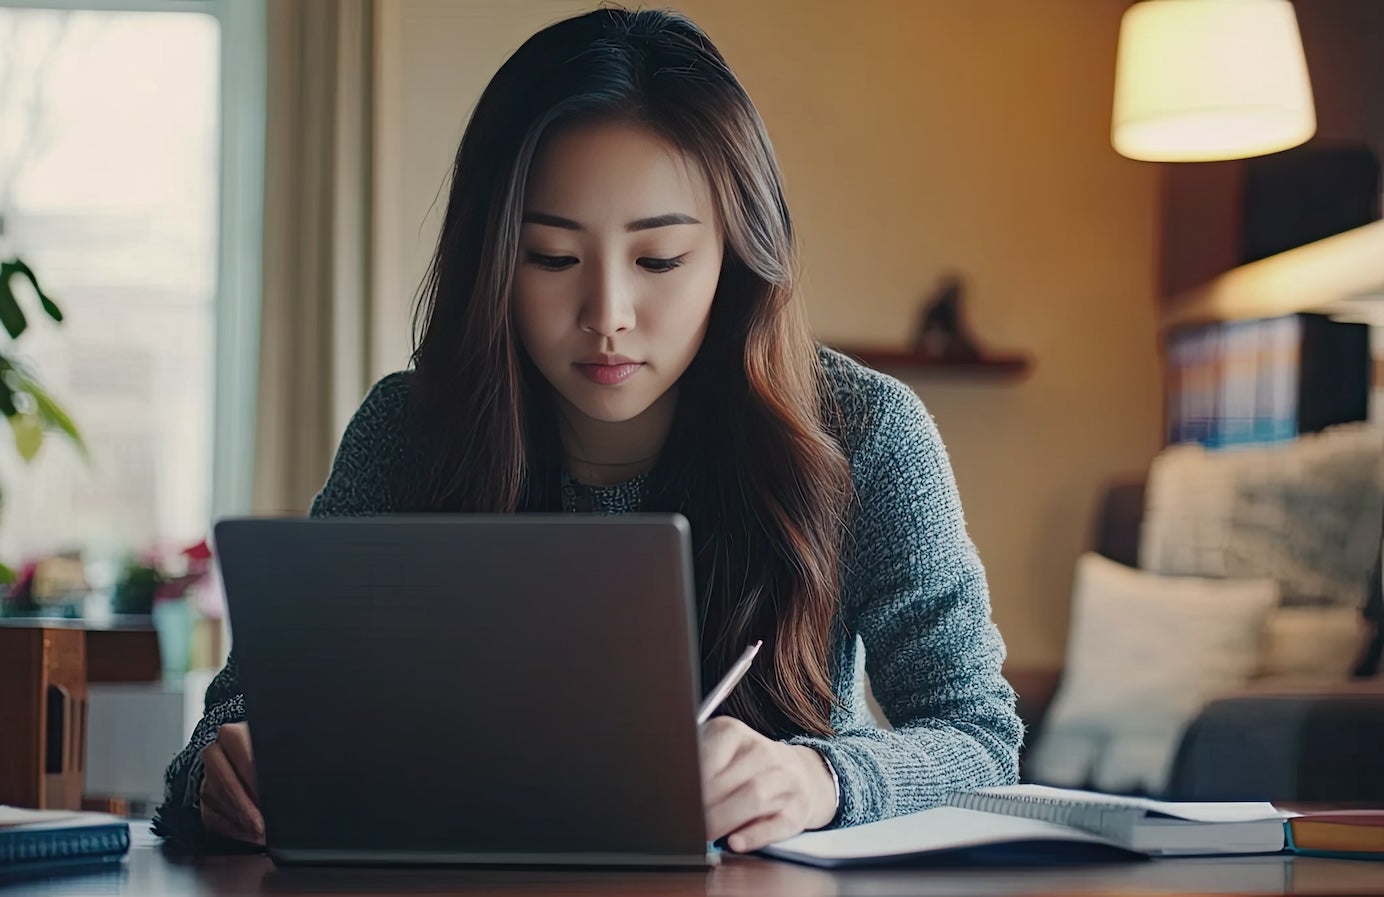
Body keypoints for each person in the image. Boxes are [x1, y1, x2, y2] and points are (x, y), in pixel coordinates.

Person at [155, 7, 1023, 854]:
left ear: (738, 253)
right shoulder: (409, 430)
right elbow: (238, 720)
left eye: (659, 261)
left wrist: (820, 779)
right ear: (493, 260)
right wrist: (222, 772)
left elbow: (979, 735)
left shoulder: (864, 433)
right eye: (553, 258)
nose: (607, 315)